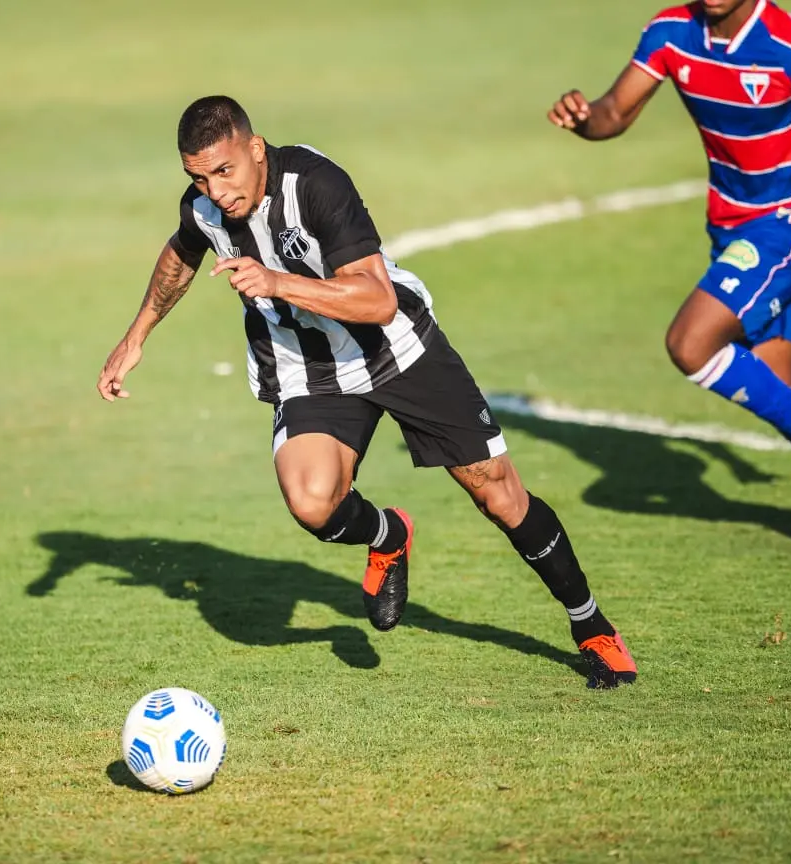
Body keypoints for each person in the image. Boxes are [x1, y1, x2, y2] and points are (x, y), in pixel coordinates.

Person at [97, 96, 637, 689]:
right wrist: (136, 335)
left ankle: (591, 627)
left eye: (224, 171)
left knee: (498, 495)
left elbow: (377, 301)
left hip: (393, 350)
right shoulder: (203, 205)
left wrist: (278, 281)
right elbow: (183, 249)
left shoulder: (316, 184)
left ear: (255, 150)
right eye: (198, 177)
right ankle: (389, 535)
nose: (215, 191)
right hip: (309, 367)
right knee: (311, 501)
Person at [548, 0, 791, 551]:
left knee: (690, 344)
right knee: (776, 392)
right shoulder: (671, 32)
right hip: (729, 225)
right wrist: (585, 118)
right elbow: (615, 110)